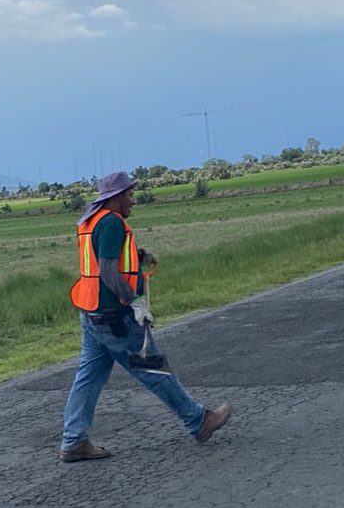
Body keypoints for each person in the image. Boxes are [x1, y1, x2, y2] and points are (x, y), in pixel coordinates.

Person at [60, 171, 231, 461]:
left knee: (88, 379)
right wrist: (134, 301)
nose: (133, 200)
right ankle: (198, 421)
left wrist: (136, 255)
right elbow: (109, 271)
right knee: (153, 369)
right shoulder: (112, 223)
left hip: (91, 314)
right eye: (128, 195)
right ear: (114, 198)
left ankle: (74, 440)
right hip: (116, 317)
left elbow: (103, 260)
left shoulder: (91, 221)